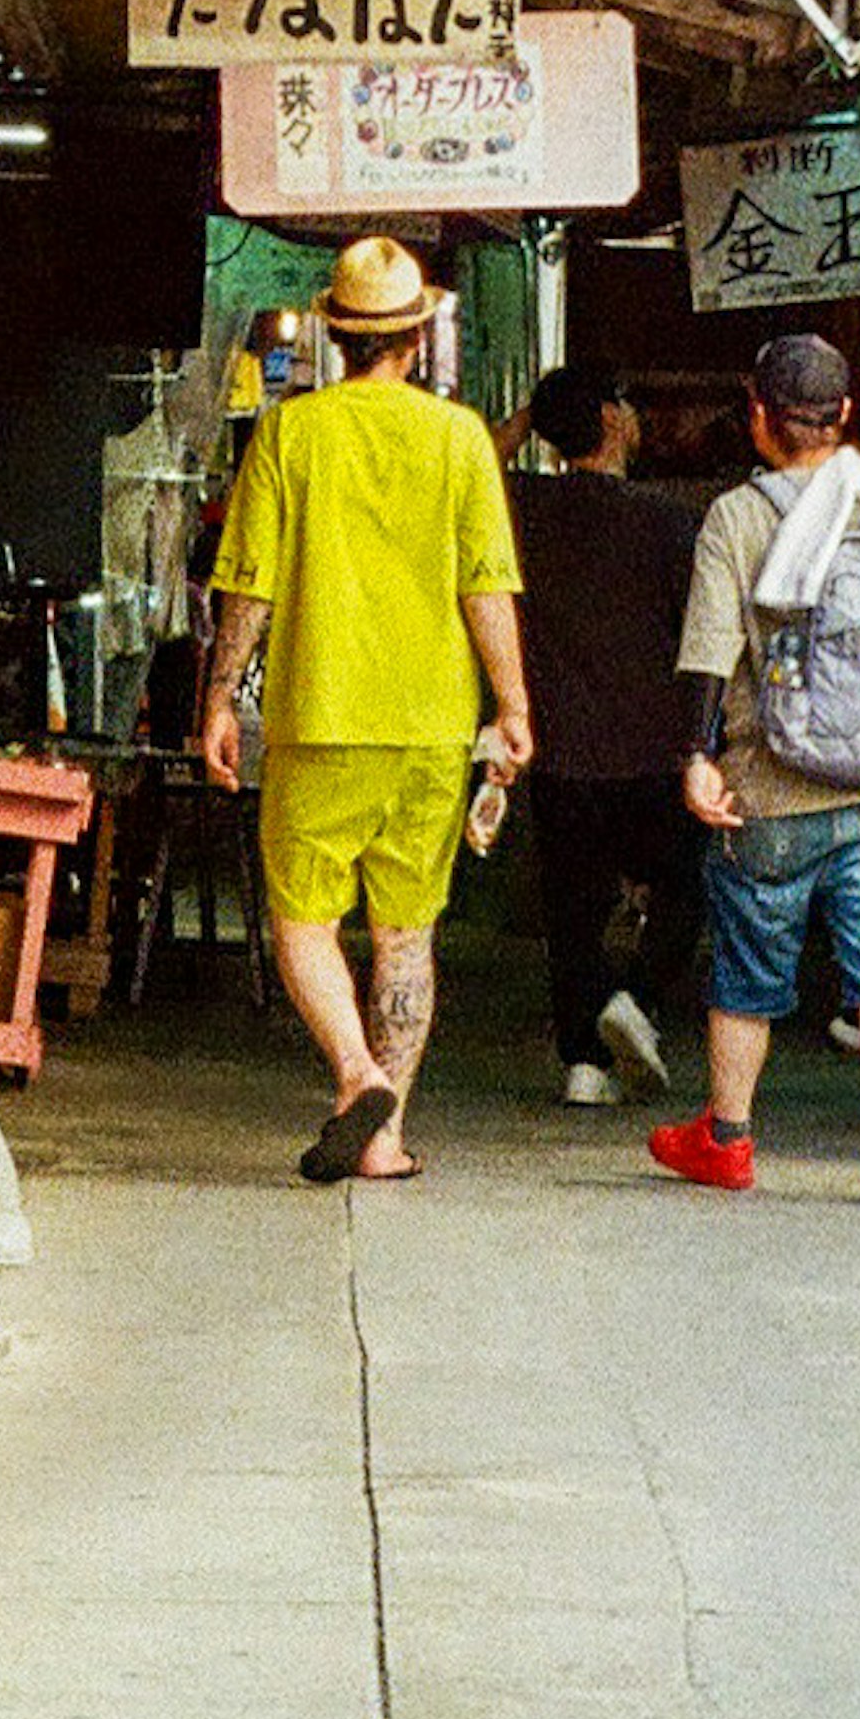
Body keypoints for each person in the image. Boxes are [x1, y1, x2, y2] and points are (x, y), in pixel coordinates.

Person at [202, 230, 532, 1184]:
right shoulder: (461, 438)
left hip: (319, 718)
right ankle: (384, 1137)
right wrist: (511, 706)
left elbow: (249, 586)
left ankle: (354, 1072)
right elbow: (487, 587)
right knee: (405, 936)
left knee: (301, 923)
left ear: (334, 336)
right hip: (432, 726)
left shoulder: (291, 433)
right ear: (419, 336)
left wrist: (221, 697)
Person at [655, 325, 860, 1207]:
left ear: (759, 417)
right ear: (845, 415)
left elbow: (710, 655)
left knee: (748, 973)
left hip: (770, 792)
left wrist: (697, 758)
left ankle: (727, 1138)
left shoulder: (739, 516)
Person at [507, 359, 704, 1109]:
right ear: (616, 420)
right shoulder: (668, 520)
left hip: (561, 744)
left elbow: (477, 463)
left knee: (572, 912)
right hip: (654, 742)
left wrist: (534, 416)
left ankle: (583, 1063)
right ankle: (637, 998)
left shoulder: (524, 505)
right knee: (686, 887)